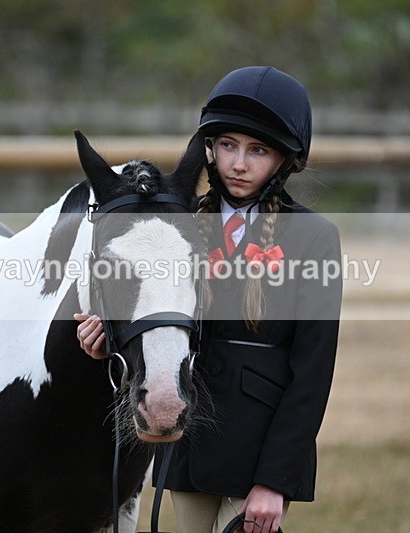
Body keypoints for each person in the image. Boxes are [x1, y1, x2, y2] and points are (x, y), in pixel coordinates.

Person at [75, 66, 341, 533]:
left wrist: (274, 482)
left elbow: (313, 373)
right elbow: (154, 327)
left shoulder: (314, 239)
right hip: (190, 443)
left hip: (260, 455)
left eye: (257, 150)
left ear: (286, 160)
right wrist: (107, 343)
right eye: (228, 146)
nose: (239, 164)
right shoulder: (177, 226)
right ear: (210, 149)